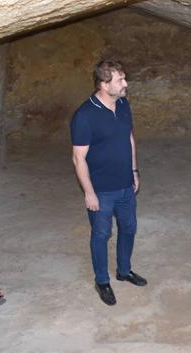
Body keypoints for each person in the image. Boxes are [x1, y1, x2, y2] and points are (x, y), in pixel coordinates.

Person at [71, 60, 147, 306]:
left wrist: (134, 170)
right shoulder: (85, 115)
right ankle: (102, 281)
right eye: (120, 80)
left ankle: (124, 271)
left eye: (124, 78)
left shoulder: (123, 104)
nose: (126, 84)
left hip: (126, 183)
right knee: (101, 234)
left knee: (129, 228)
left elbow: (129, 138)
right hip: (101, 190)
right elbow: (78, 158)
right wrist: (89, 192)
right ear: (104, 85)